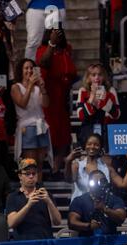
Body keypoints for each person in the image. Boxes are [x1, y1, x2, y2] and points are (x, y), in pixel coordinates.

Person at [36, 26, 77, 180]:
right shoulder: (43, 49)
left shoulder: (66, 50)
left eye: (59, 33)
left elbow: (72, 72)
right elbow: (43, 63)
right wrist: (51, 44)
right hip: (49, 97)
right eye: (53, 33)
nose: (57, 35)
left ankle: (56, 168)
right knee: (51, 134)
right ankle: (48, 167)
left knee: (64, 135)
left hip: (63, 97)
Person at [10, 58, 53, 182]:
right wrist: (29, 86)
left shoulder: (38, 88)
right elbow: (22, 103)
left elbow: (46, 104)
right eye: (26, 68)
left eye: (31, 68)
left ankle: (39, 190)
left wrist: (43, 88)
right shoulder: (15, 87)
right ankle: (29, 191)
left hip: (41, 126)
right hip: (27, 127)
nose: (29, 71)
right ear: (21, 71)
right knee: (30, 163)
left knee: (40, 162)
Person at [64, 133, 127, 202]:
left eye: (96, 145)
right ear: (85, 146)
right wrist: (68, 161)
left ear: (100, 148)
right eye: (89, 144)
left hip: (101, 207)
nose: (92, 147)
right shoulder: (77, 166)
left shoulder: (107, 168)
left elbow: (123, 184)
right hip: (80, 208)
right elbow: (69, 180)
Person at [5, 158, 62, 240]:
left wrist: (49, 201)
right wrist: (28, 205)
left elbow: (57, 222)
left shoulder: (45, 195)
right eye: (27, 174)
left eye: (34, 173)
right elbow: (11, 223)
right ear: (20, 176)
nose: (31, 176)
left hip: (45, 241)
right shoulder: (13, 197)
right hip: (23, 243)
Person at [68, 169, 127, 237]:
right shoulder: (79, 200)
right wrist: (89, 226)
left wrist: (105, 209)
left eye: (101, 181)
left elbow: (121, 217)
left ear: (105, 182)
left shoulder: (114, 199)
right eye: (94, 182)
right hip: (88, 242)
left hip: (111, 241)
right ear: (89, 184)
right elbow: (72, 222)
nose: (98, 184)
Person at [76, 63, 121, 149]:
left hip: (106, 130)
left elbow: (117, 115)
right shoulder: (83, 91)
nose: (97, 77)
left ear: (103, 77)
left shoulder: (111, 91)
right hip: (88, 130)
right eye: (93, 75)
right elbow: (81, 116)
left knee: (107, 158)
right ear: (89, 77)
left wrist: (104, 100)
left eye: (100, 74)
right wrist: (91, 97)